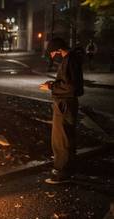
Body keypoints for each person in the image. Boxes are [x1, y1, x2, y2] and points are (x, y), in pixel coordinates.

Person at [39, 37, 84, 184]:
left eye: (52, 53)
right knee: (67, 136)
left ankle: (61, 171)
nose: (52, 57)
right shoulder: (71, 59)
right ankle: (69, 168)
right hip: (67, 103)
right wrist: (53, 84)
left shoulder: (69, 60)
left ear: (58, 50)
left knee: (61, 139)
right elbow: (69, 83)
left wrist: (51, 87)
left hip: (64, 103)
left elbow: (70, 87)